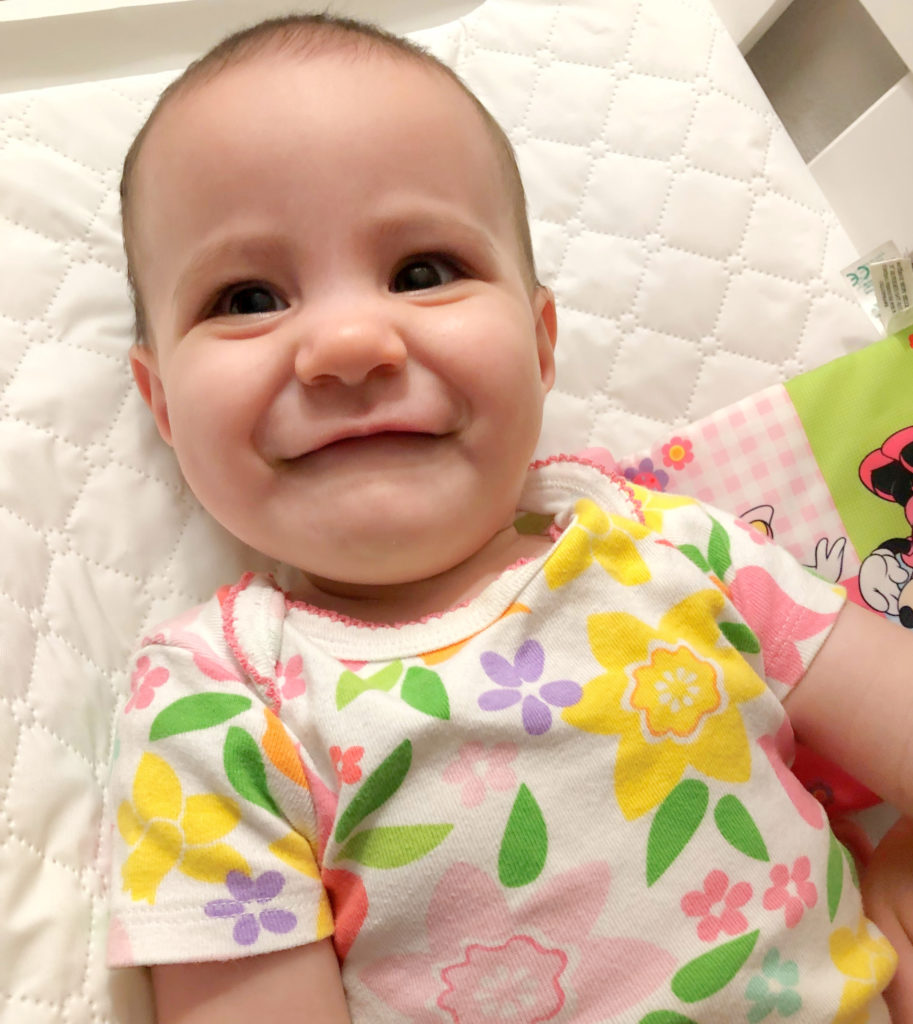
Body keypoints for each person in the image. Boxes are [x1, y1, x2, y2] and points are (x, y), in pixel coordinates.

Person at [106, 12, 913, 1023]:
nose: (350, 342)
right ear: (165, 406)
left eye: (422, 273)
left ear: (539, 345)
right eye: (247, 295)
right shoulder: (218, 705)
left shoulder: (669, 544)